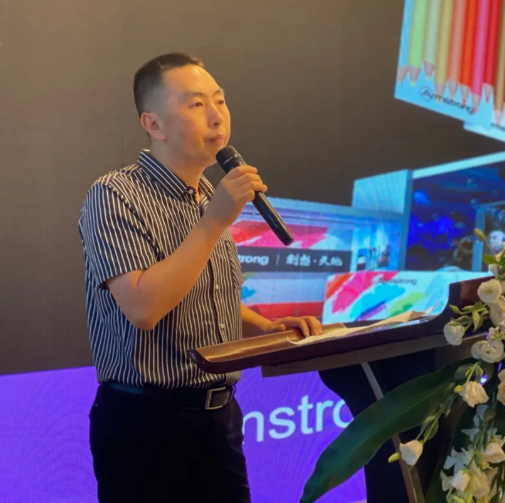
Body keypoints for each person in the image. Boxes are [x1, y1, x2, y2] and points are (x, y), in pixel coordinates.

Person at [78, 52, 322, 503]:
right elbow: (143, 307)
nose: (216, 115)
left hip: (220, 418)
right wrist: (213, 223)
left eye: (220, 100)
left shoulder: (207, 194)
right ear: (153, 124)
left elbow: (201, 295)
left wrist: (266, 328)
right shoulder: (115, 194)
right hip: (146, 423)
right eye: (195, 104)